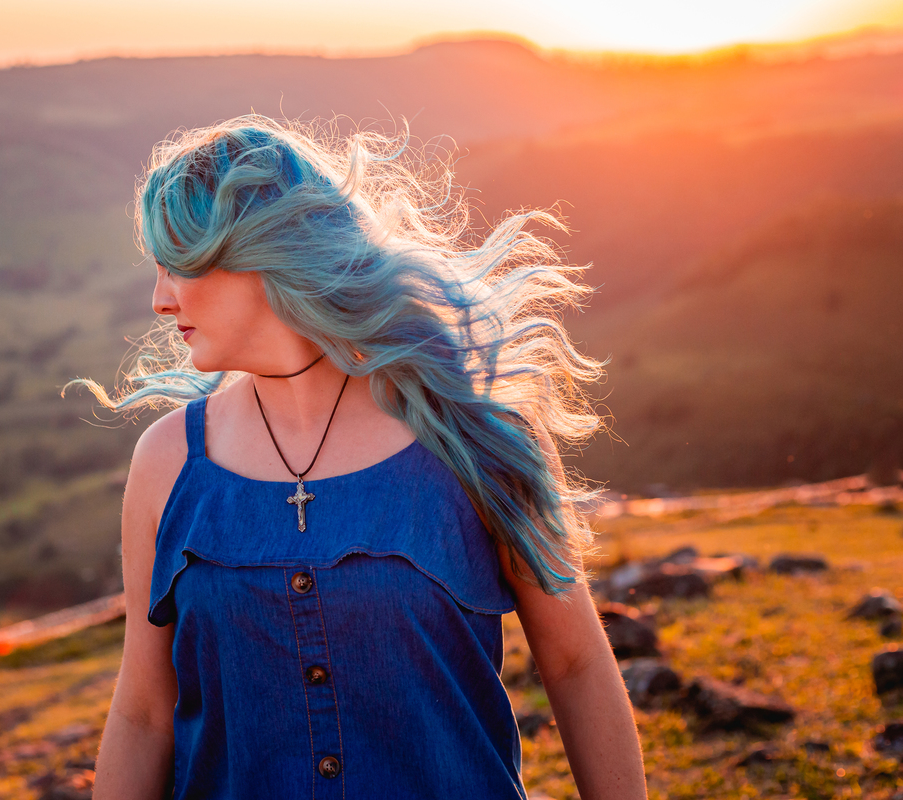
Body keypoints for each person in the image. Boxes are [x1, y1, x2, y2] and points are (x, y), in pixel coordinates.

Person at [74, 116, 646, 799]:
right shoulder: (167, 464)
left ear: (264, 260)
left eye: (180, 265)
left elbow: (577, 665)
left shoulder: (472, 434)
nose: (160, 300)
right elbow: (143, 713)